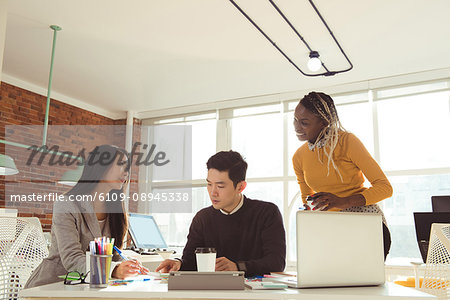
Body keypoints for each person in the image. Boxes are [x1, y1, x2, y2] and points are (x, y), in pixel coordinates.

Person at [25, 145, 148, 288]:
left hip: (90, 287)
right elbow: (72, 258)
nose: (126, 173)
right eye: (121, 165)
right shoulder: (66, 204)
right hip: (53, 285)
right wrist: (114, 269)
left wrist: (126, 264)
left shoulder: (116, 210)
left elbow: (114, 254)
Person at [292, 92, 393, 259]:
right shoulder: (299, 157)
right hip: (332, 227)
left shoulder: (347, 141)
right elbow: (307, 198)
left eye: (304, 122)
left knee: (363, 281)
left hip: (365, 223)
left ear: (323, 122)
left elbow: (385, 188)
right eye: (295, 120)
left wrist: (343, 202)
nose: (296, 127)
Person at [155, 150, 286, 276]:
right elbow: (191, 262)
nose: (213, 192)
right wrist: (178, 263)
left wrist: (237, 267)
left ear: (240, 187)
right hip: (213, 294)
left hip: (254, 294)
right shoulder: (203, 218)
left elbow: (276, 263)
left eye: (220, 186)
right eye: (209, 184)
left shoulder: (266, 213)